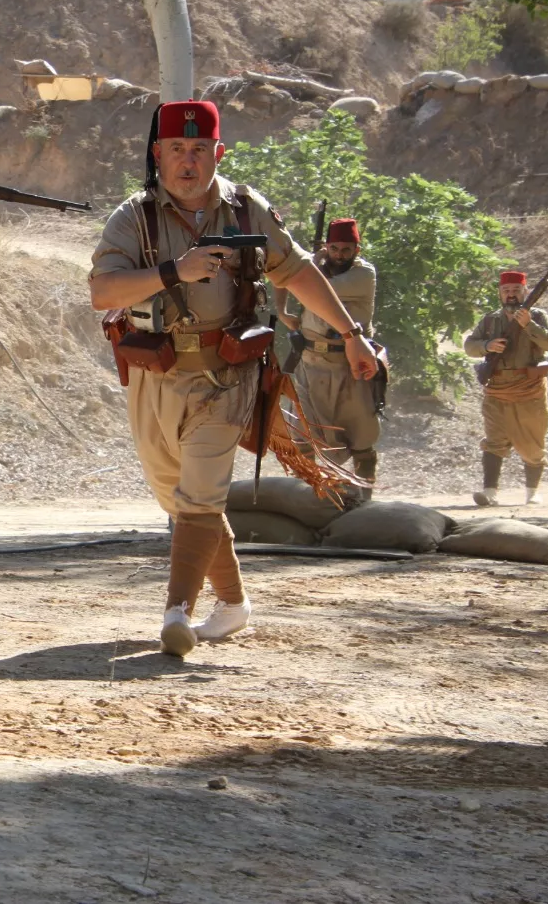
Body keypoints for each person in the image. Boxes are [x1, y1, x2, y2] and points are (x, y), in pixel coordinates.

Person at [89, 101, 380, 658]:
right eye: (176, 149)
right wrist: (178, 270)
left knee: (200, 493)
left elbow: (297, 272)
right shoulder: (135, 217)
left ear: (218, 153)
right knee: (177, 497)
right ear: (158, 155)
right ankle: (234, 605)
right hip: (157, 376)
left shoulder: (247, 211)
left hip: (227, 375)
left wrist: (350, 334)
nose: (188, 161)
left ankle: (177, 612)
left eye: (200, 149)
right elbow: (104, 293)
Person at [275, 218, 381, 490]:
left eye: (346, 250)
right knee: (303, 431)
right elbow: (285, 274)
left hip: (350, 364)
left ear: (357, 250)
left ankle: (364, 492)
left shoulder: (363, 274)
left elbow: (317, 286)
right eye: (334, 249)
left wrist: (314, 257)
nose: (340, 255)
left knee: (361, 433)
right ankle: (310, 492)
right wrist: (283, 311)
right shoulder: (315, 268)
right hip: (312, 362)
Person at [463, 270, 548, 506]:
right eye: (506, 291)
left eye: (516, 290)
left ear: (525, 292)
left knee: (532, 442)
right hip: (496, 389)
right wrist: (488, 345)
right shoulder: (490, 320)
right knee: (494, 441)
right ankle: (490, 492)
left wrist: (528, 325)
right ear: (500, 293)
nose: (510, 295)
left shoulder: (538, 316)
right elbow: (469, 346)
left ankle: (532, 492)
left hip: (529, 390)